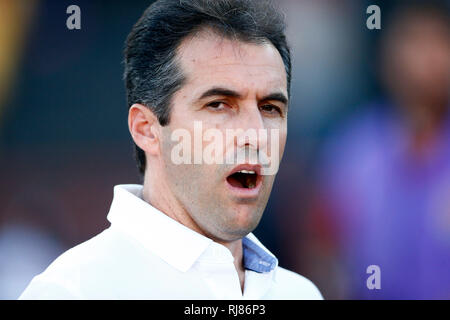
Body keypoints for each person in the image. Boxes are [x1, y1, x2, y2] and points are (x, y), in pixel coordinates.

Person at [19, 0, 323, 299]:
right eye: (218, 105)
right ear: (146, 130)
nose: (256, 135)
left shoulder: (301, 293)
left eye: (270, 108)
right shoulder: (72, 291)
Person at [304, 2, 450, 299]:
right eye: (411, 40)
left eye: (439, 40)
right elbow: (322, 250)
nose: (425, 58)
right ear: (385, 53)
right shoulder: (352, 149)